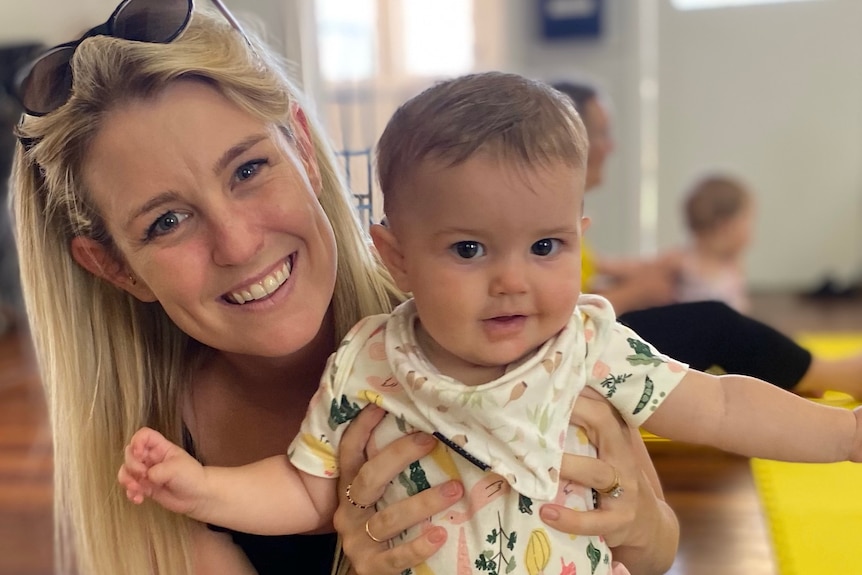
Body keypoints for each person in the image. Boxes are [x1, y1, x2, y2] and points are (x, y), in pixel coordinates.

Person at [10, 3, 679, 575]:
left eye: (247, 169)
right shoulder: (162, 472)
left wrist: (646, 528)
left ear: (302, 149)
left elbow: (656, 545)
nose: (239, 243)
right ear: (116, 267)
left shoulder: (504, 328)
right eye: (167, 221)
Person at [118, 72, 862, 575]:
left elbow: (725, 403)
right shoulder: (371, 360)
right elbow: (306, 487)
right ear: (397, 255)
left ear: (579, 232)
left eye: (545, 247)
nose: (513, 280)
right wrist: (204, 487)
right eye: (469, 249)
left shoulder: (587, 345)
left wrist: (843, 435)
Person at [552, 80, 862, 400]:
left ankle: (803, 371)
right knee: (713, 321)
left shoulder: (566, 220)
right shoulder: (549, 223)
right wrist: (635, 292)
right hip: (579, 348)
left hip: (588, 337)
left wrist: (632, 285)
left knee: (718, 323)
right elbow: (561, 313)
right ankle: (836, 374)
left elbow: (586, 284)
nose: (611, 147)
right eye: (602, 134)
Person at [676, 174, 756, 312]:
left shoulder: (732, 267)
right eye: (747, 221)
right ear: (725, 226)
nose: (751, 232)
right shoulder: (681, 265)